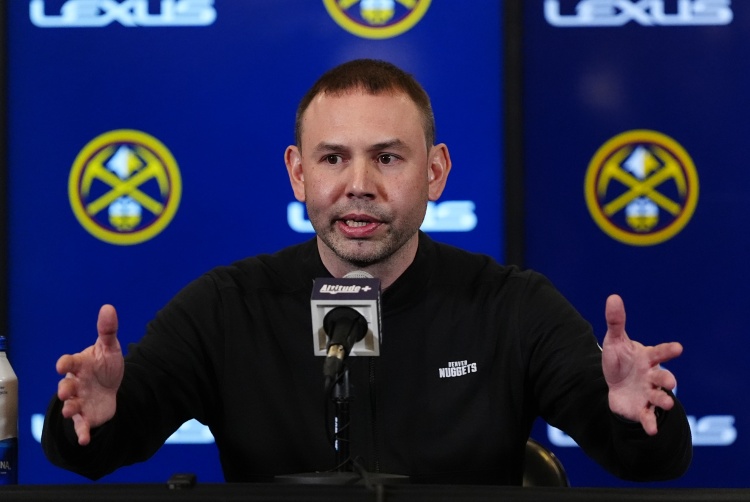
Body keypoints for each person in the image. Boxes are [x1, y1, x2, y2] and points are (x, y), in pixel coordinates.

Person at [42, 59, 692, 485]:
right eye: (333, 159)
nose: (358, 185)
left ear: (434, 172)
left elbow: (649, 459)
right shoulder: (227, 308)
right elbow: (95, 448)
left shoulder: (511, 307)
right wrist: (92, 415)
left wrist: (639, 414)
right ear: (299, 173)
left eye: (387, 158)